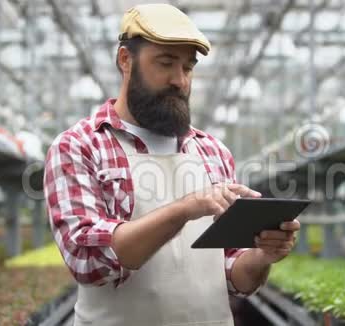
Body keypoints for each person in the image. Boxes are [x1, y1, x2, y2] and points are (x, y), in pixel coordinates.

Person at [44, 4, 300, 326]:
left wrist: (263, 256)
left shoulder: (212, 152)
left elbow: (232, 274)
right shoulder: (80, 146)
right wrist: (184, 209)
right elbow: (89, 263)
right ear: (126, 60)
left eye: (188, 67)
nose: (180, 80)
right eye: (166, 63)